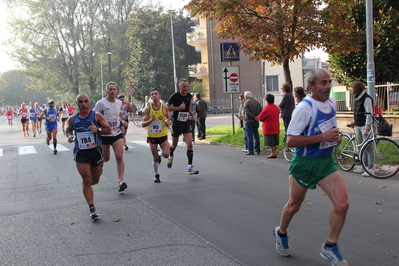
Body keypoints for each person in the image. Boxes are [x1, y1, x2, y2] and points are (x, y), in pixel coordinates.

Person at [273, 69, 349, 266]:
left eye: (329, 82)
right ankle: (281, 232)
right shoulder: (304, 108)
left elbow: (330, 130)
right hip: (304, 164)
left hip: (325, 162)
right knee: (294, 206)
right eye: (323, 83)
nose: (328, 87)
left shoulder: (331, 103)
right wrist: (323, 138)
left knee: (342, 205)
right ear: (311, 87)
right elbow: (290, 141)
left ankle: (330, 246)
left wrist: (335, 139)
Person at [66, 93, 111, 220]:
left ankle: (100, 165)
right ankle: (92, 207)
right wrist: (69, 136)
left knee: (94, 180)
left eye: (86, 101)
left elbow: (109, 130)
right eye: (81, 102)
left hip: (95, 152)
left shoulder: (96, 116)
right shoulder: (73, 119)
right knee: (86, 179)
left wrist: (98, 130)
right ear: (77, 104)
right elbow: (68, 129)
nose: (83, 104)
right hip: (81, 153)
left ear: (89, 102)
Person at [93, 81, 128, 192]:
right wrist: (103, 122)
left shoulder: (119, 102)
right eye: (110, 89)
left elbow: (119, 114)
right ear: (106, 91)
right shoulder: (101, 103)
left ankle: (121, 181)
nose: (112, 91)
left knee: (119, 156)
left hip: (117, 133)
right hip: (104, 134)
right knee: (106, 158)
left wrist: (122, 121)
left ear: (116, 91)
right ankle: (102, 162)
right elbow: (93, 117)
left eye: (114, 89)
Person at [166, 78, 199, 175]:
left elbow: (188, 106)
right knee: (174, 145)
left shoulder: (189, 96)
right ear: (179, 86)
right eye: (184, 86)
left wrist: (190, 111)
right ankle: (171, 156)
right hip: (176, 123)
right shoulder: (175, 96)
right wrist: (178, 108)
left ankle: (189, 167)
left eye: (187, 86)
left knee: (190, 143)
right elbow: (166, 107)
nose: (185, 88)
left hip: (186, 122)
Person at [142, 88, 171, 183]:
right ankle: (156, 174)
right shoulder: (148, 109)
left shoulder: (164, 107)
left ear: (159, 96)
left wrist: (167, 122)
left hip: (162, 135)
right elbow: (143, 124)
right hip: (152, 136)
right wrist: (151, 120)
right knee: (155, 158)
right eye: (152, 94)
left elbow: (168, 117)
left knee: (166, 154)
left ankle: (160, 154)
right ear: (151, 97)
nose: (154, 95)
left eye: (156, 94)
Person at [351, 81, 374, 177]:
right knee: (362, 148)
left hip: (364, 126)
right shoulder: (358, 98)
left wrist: (367, 128)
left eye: (352, 88)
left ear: (356, 89)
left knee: (368, 148)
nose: (351, 90)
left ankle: (370, 168)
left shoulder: (366, 98)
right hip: (359, 125)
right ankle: (364, 166)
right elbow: (358, 112)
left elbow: (369, 113)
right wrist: (354, 121)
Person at [257, 94, 280, 158]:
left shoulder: (266, 108)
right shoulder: (276, 107)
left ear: (267, 100)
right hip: (276, 125)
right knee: (275, 140)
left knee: (271, 141)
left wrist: (258, 117)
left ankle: (273, 153)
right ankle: (275, 152)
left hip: (269, 126)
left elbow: (261, 117)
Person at [243, 91, 262, 155]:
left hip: (249, 121)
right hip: (256, 121)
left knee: (249, 136)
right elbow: (261, 110)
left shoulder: (246, 102)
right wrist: (257, 117)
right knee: (256, 135)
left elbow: (247, 112)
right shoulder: (257, 102)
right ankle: (257, 149)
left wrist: (253, 117)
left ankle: (250, 150)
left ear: (246, 97)